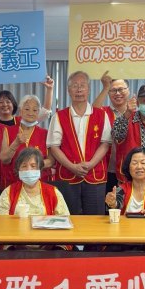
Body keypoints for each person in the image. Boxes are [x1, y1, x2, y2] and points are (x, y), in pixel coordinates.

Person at [47, 70, 112, 215]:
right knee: (69, 217)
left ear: (88, 89)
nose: (79, 89)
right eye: (75, 86)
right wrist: (72, 167)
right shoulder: (59, 116)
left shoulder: (101, 115)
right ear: (68, 90)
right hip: (67, 175)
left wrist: (91, 164)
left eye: (82, 85)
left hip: (95, 174)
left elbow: (105, 143)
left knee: (95, 219)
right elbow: (54, 147)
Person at [0, 148, 69, 217]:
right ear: (18, 170)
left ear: (40, 169)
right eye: (24, 166)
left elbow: (64, 220)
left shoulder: (53, 192)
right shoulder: (8, 192)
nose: (28, 170)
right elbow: (1, 222)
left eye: (33, 166)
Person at [92, 71, 133, 191]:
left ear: (128, 90)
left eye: (121, 89)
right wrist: (105, 87)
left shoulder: (136, 114)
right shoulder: (103, 112)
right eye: (113, 90)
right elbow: (92, 112)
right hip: (106, 169)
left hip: (129, 170)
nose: (117, 93)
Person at [0, 94, 53, 188]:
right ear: (20, 111)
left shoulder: (45, 133)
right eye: (27, 109)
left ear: (38, 112)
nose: (31, 113)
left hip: (40, 183)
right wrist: (16, 143)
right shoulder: (8, 131)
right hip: (13, 183)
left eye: (35, 110)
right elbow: (4, 159)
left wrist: (32, 166)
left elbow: (51, 161)